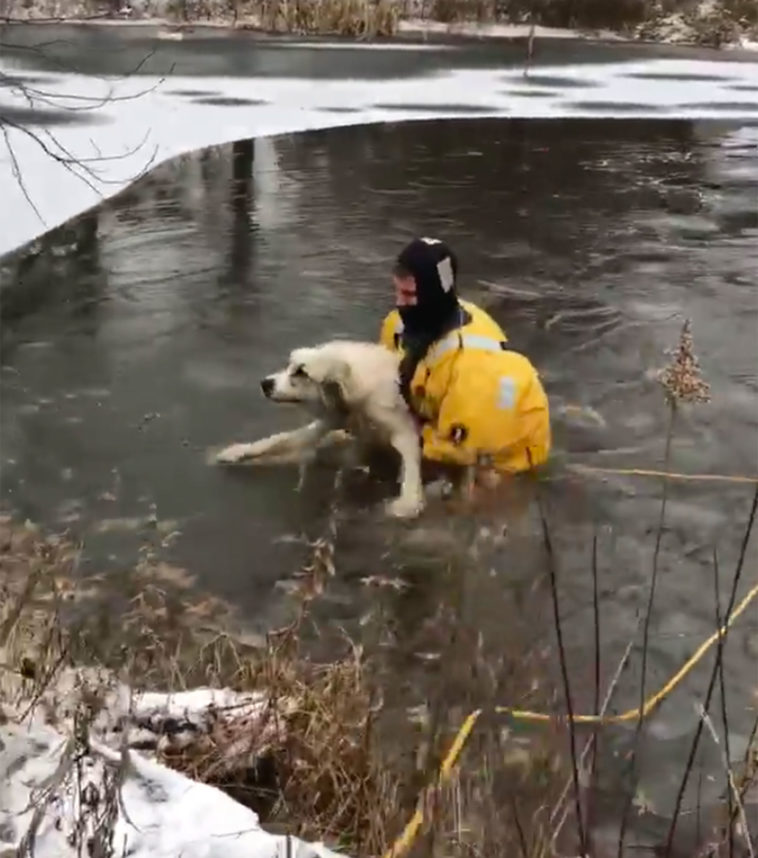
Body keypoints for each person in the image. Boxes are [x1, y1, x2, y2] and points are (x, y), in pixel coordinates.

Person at [379, 236, 551, 475]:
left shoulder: (471, 365)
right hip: (448, 414)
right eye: (397, 291)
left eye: (409, 294)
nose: (399, 303)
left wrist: (409, 433)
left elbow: (456, 453)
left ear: (433, 296)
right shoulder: (397, 325)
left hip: (504, 453)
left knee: (458, 502)